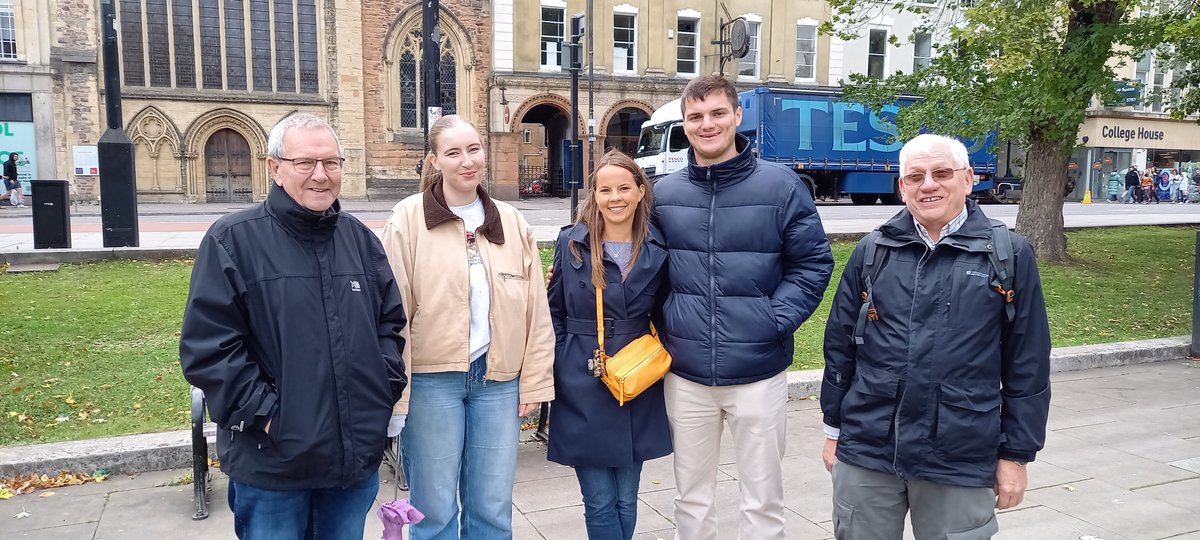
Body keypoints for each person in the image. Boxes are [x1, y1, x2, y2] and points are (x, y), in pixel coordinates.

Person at [179, 113, 408, 540]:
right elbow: (210, 349)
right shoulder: (232, 240)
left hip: (352, 462)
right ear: (275, 168)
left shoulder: (360, 241)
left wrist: (380, 394)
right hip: (273, 465)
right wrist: (269, 418)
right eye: (305, 163)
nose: (321, 175)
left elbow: (389, 326)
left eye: (331, 162)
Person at [820, 134, 1051, 539]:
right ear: (902, 187)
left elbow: (1027, 362)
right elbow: (840, 347)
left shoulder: (1008, 255)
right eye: (916, 176)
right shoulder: (873, 251)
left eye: (942, 173)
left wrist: (1016, 454)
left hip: (959, 453)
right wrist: (833, 430)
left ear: (968, 179)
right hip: (869, 447)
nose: (928, 185)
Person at [652, 75, 834, 540]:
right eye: (695, 116)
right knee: (690, 498)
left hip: (758, 370)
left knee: (762, 499)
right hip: (686, 372)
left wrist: (773, 321)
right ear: (684, 123)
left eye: (717, 113)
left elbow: (812, 263)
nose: (707, 124)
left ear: (737, 116)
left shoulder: (780, 185)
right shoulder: (665, 194)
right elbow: (643, 268)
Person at [381, 114, 555, 540]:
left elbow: (536, 309)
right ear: (434, 161)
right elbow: (392, 315)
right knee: (433, 511)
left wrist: (534, 381)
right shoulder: (407, 219)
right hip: (431, 382)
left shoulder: (511, 221)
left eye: (474, 149)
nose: (467, 161)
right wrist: (397, 397)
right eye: (453, 152)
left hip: (498, 382)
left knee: (491, 509)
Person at [546, 149, 672, 540]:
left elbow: (667, 310)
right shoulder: (572, 244)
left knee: (626, 499)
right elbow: (554, 311)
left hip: (637, 378)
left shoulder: (658, 247)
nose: (615, 198)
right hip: (583, 376)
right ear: (595, 195)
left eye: (623, 188)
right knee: (599, 500)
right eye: (605, 190)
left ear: (640, 190)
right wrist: (563, 359)